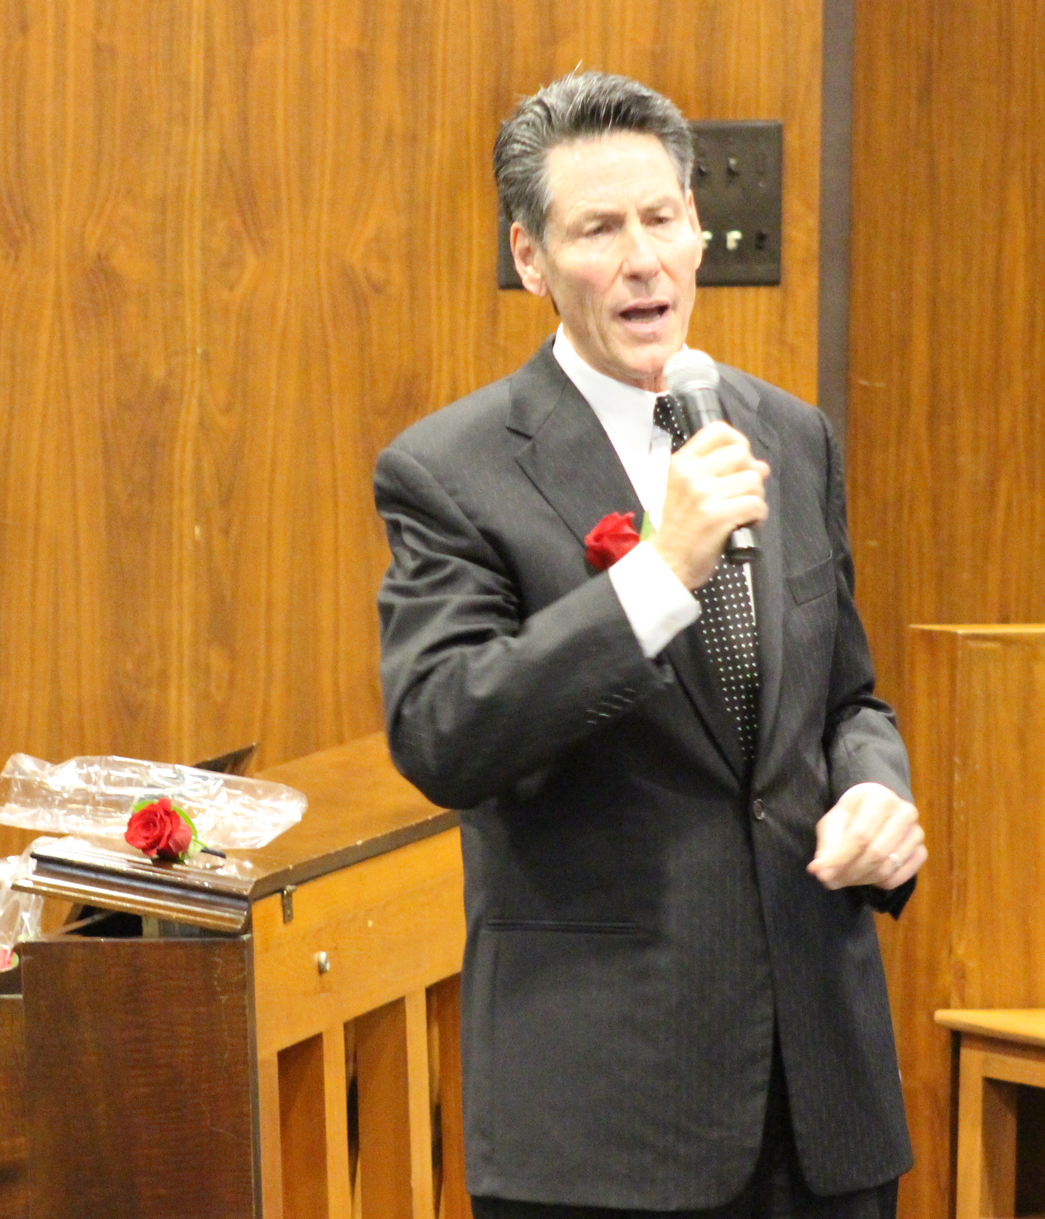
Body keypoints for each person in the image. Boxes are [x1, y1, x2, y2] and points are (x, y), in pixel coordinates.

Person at [375, 72, 927, 1219]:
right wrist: (652, 575)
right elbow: (442, 729)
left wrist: (877, 792)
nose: (644, 260)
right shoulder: (453, 471)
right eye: (598, 229)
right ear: (530, 257)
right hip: (608, 1116)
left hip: (823, 1098)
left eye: (664, 218)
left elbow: (845, 701)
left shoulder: (788, 432)